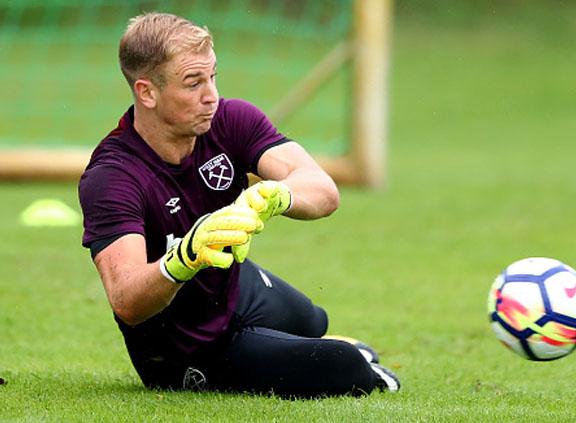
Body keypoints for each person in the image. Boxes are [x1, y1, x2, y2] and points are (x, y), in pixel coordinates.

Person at [78, 12, 400, 397]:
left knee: (312, 319)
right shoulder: (113, 176)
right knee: (346, 369)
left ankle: (291, 343)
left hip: (230, 286)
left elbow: (323, 190)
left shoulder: (230, 120)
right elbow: (128, 300)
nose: (210, 94)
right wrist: (184, 259)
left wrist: (280, 195)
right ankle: (338, 357)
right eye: (193, 83)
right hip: (184, 346)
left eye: (212, 76)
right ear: (147, 92)